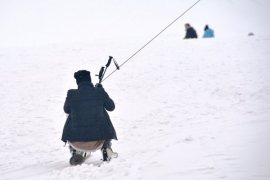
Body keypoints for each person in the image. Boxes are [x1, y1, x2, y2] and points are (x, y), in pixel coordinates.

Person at [62, 70, 117, 165]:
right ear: (90, 80)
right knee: (102, 111)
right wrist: (102, 91)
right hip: (99, 140)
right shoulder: (99, 92)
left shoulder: (71, 94)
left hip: (75, 142)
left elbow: (66, 110)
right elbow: (111, 107)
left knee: (71, 113)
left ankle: (74, 151)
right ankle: (106, 148)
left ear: (77, 82)